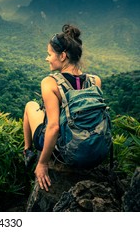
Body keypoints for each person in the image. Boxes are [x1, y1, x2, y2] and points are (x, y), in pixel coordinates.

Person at [22, 24, 101, 192]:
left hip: (66, 147)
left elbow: (54, 127)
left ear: (63, 56)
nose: (47, 58)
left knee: (30, 106)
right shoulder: (95, 81)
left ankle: (28, 152)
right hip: (94, 146)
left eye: (49, 54)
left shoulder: (50, 83)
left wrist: (42, 163)